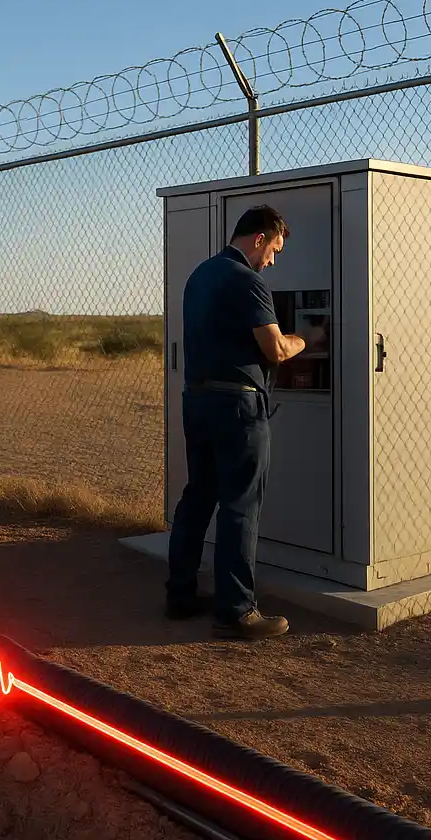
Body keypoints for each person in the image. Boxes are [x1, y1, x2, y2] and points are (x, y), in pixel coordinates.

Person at [164, 204, 309, 640]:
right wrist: (306, 339)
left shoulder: (201, 275)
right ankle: (236, 611)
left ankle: (180, 595)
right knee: (240, 508)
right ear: (259, 238)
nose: (273, 261)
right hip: (239, 410)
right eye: (275, 250)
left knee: (198, 497)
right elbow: (275, 350)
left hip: (199, 402)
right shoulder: (249, 281)